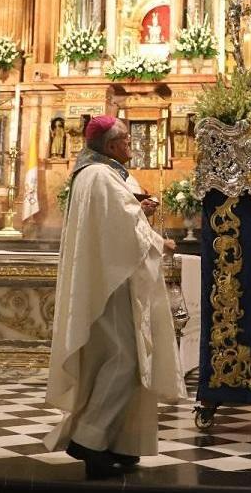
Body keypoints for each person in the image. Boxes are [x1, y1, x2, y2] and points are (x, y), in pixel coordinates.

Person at [43, 115, 183, 479]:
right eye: (125, 141)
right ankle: (90, 439)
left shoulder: (106, 173)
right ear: (109, 146)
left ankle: (121, 441)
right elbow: (121, 229)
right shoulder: (99, 175)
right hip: (111, 285)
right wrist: (159, 241)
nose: (131, 146)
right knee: (125, 361)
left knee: (127, 360)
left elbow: (122, 218)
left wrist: (141, 210)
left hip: (118, 280)